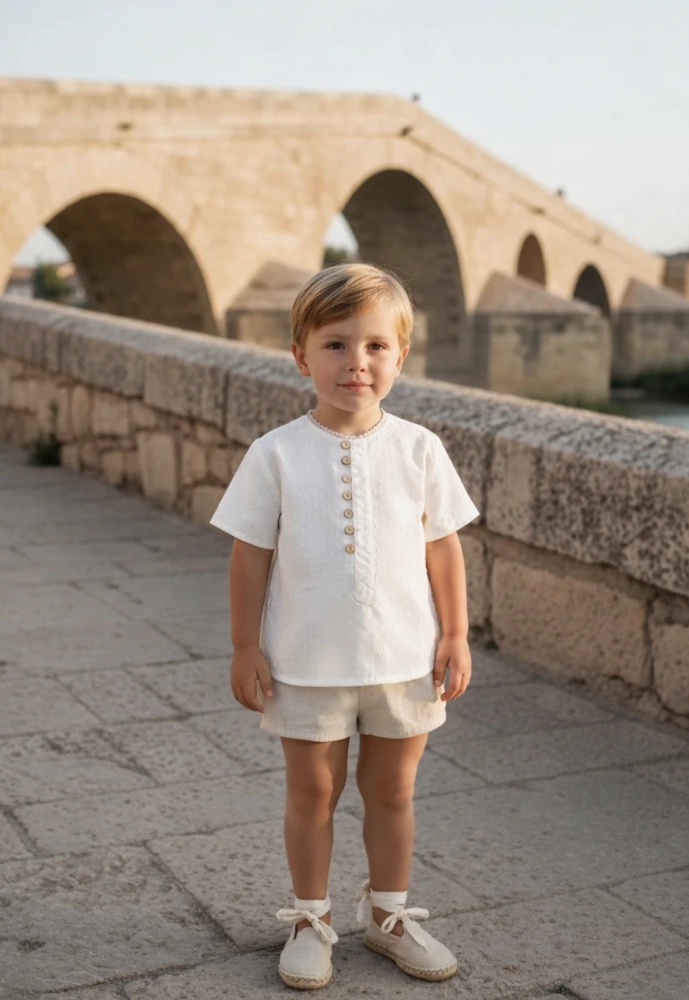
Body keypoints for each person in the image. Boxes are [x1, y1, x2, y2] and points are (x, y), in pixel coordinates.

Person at [209, 262, 480, 990]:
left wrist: (454, 634)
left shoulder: (420, 448)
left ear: (399, 355)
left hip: (404, 659)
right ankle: (310, 918)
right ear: (301, 356)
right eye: (334, 345)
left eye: (374, 347)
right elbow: (249, 554)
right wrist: (244, 646)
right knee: (313, 793)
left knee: (393, 790)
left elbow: (442, 547)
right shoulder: (275, 454)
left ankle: (388, 916)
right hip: (305, 662)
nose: (355, 363)